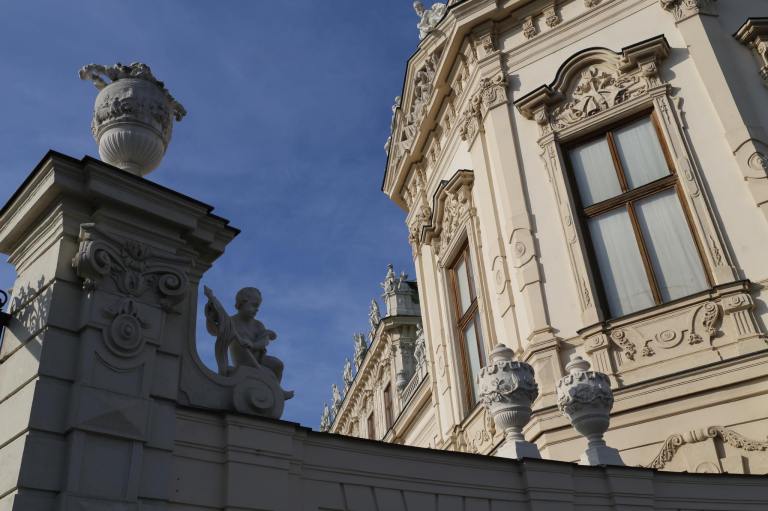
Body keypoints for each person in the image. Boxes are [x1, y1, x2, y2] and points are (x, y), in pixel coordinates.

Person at [204, 286, 285, 383]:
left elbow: (265, 341)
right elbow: (214, 331)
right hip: (243, 361)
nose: (256, 309)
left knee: (278, 364)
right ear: (242, 303)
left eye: (258, 307)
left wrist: (253, 345)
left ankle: (277, 391)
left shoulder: (258, 325)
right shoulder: (231, 322)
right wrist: (210, 318)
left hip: (259, 360)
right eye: (254, 305)